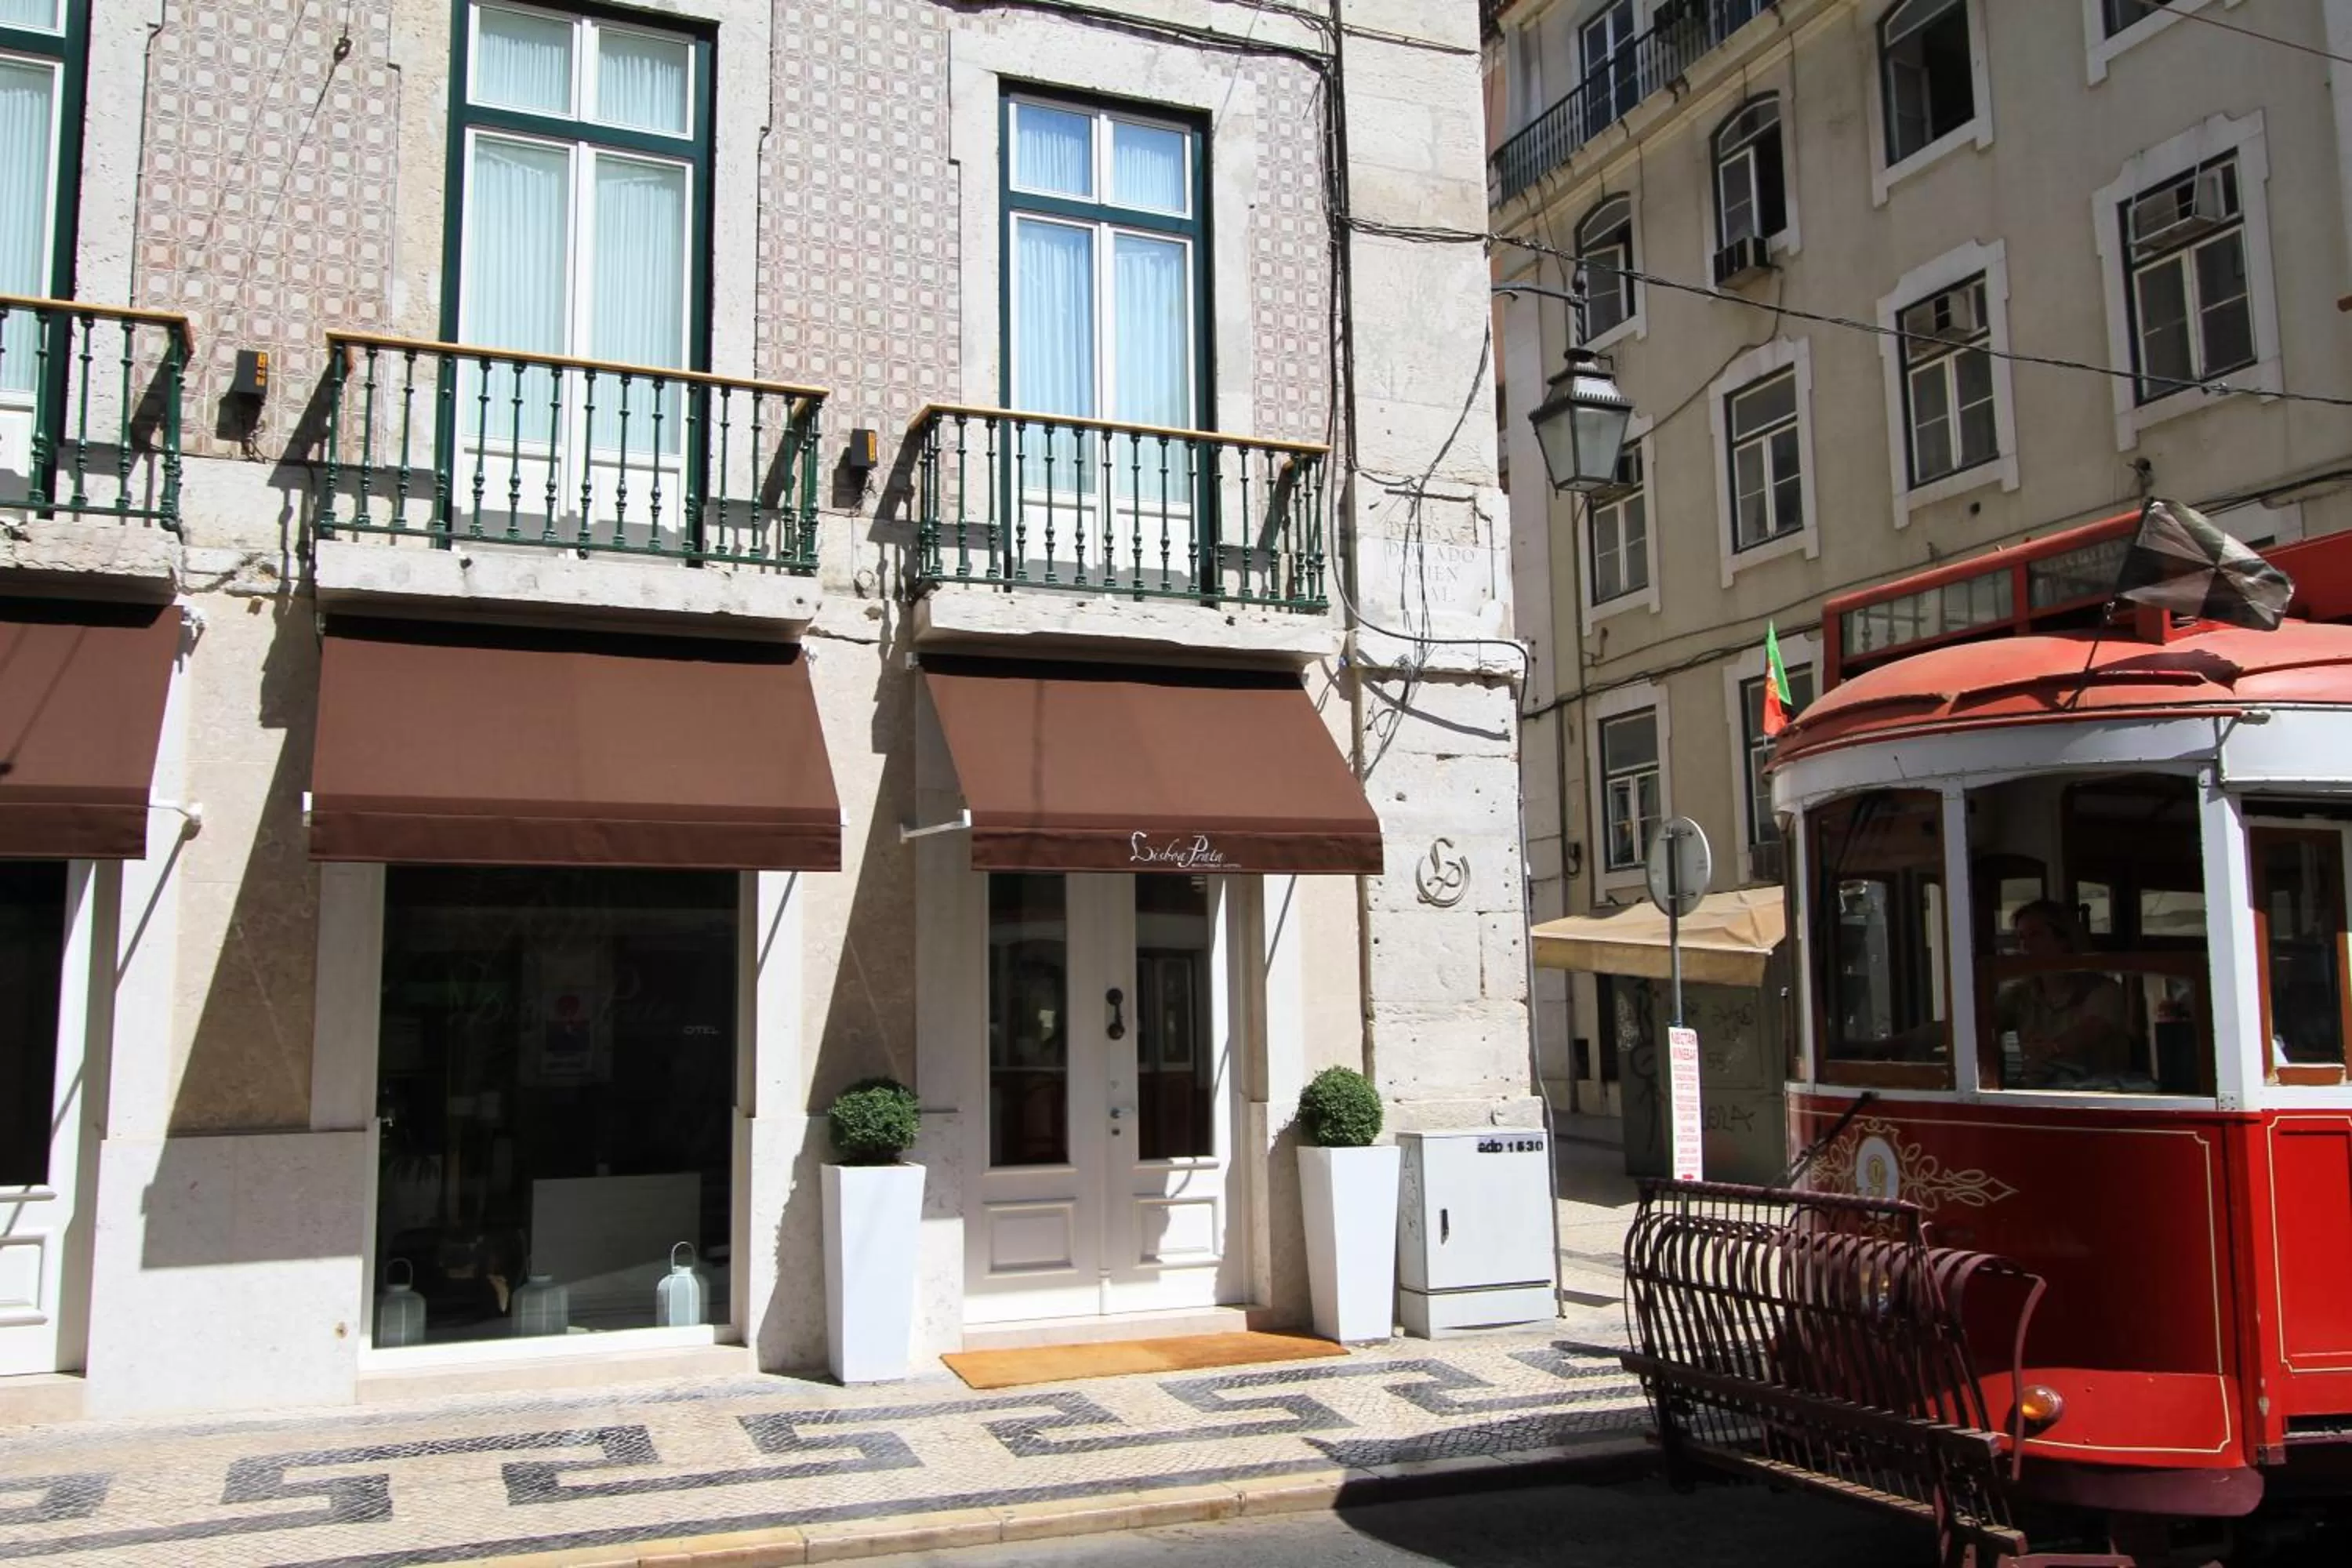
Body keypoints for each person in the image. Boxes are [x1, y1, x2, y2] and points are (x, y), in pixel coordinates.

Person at [1993, 899, 2132, 1087]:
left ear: (2064, 940)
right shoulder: (2022, 994)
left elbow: (2091, 1030)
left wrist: (2051, 1047)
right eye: (2021, 938)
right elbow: (1984, 1021)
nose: (2025, 946)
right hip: (2036, 1094)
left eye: (2035, 935)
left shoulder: (2104, 990)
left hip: (2096, 1095)